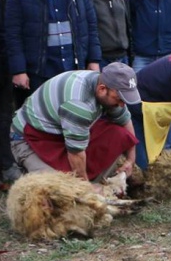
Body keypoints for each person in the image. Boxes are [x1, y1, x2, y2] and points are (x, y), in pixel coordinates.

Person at [9, 63, 139, 182]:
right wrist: (86, 188)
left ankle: (96, 183)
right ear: (102, 89)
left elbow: (124, 120)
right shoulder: (79, 104)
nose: (122, 105)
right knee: (59, 187)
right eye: (119, 99)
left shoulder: (104, 86)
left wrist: (130, 160)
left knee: (119, 135)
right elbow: (76, 153)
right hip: (29, 139)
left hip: (63, 132)